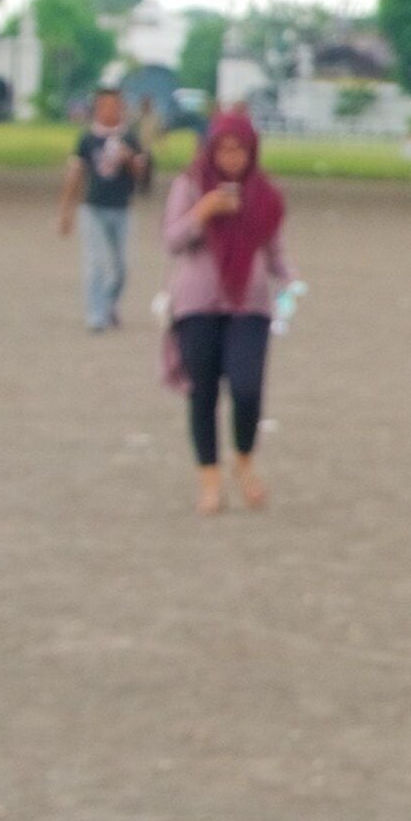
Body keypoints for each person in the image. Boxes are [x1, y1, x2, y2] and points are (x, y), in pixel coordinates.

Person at [162, 111, 293, 515]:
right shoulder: (188, 185)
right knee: (202, 393)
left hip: (248, 304)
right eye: (223, 150)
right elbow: (172, 241)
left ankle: (244, 460)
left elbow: (274, 249)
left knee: (247, 386)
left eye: (238, 150)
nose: (230, 158)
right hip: (196, 303)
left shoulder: (264, 195)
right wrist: (203, 211)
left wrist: (291, 281)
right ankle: (210, 480)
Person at [60, 86, 148, 332]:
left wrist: (128, 157)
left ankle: (109, 303)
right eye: (105, 105)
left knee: (122, 266)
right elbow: (75, 174)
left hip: (121, 207)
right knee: (95, 262)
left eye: (115, 105)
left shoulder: (130, 137)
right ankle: (95, 315)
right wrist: (65, 211)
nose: (110, 110)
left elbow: (141, 175)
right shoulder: (88, 138)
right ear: (97, 109)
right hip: (93, 207)